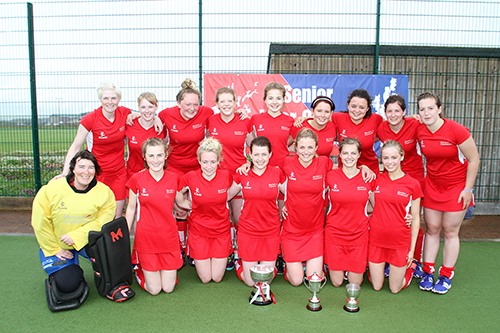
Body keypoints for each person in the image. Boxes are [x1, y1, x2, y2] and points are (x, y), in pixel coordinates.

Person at [32, 150, 134, 311]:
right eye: (81, 166)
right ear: (73, 168)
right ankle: (64, 274)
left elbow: (104, 221)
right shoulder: (51, 189)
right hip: (59, 245)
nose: (86, 172)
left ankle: (110, 283)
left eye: (90, 167)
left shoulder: (104, 192)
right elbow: (39, 223)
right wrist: (54, 248)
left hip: (87, 240)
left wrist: (77, 236)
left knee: (111, 249)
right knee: (69, 284)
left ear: (96, 171)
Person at [416, 92, 480, 294]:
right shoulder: (420, 130)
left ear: (440, 109)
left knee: (450, 231)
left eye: (430, 108)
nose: (426, 113)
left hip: (456, 188)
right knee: (432, 229)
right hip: (433, 186)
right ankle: (428, 271)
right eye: (422, 109)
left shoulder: (456, 130)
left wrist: (468, 189)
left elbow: (474, 160)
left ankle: (445, 275)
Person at [60, 82, 131, 218]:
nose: (110, 102)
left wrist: (157, 119)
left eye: (113, 98)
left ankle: (112, 240)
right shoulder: (90, 119)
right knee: (95, 216)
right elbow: (76, 146)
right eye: (106, 98)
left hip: (118, 173)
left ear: (119, 100)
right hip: (97, 174)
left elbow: (142, 115)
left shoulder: (125, 113)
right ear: (100, 99)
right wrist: (65, 171)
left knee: (115, 217)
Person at [376, 94, 425, 278]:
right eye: (390, 111)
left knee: (413, 219)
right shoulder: (381, 127)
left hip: (414, 176)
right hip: (392, 176)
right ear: (385, 112)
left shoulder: (415, 124)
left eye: (397, 111)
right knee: (391, 217)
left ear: (405, 112)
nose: (393, 114)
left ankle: (415, 259)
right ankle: (390, 260)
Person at [125, 138, 182, 295]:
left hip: (168, 238)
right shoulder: (136, 179)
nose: (155, 160)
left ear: (165, 156)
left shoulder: (174, 178)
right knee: (155, 290)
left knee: (168, 288)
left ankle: (160, 272)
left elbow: (182, 202)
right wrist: (124, 232)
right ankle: (138, 269)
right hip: (146, 238)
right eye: (151, 156)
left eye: (159, 155)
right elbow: (130, 209)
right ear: (144, 157)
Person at [175, 137, 235, 283]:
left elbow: (237, 188)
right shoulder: (191, 177)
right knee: (206, 278)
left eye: (213, 162)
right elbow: (176, 191)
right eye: (205, 162)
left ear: (219, 161)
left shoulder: (226, 176)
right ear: (199, 161)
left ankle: (237, 262)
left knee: (217, 277)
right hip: (199, 233)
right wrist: (186, 204)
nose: (209, 166)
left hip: (221, 233)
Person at [230, 136, 285, 287]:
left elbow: (291, 193)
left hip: (270, 231)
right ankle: (238, 262)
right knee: (251, 282)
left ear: (270, 155)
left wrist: (287, 205)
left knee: (265, 281)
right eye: (256, 155)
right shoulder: (242, 174)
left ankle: (271, 264)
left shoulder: (277, 173)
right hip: (249, 231)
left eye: (264, 154)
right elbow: (226, 195)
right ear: (250, 155)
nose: (260, 159)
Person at [280, 129, 333, 286]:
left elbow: (342, 174)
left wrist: (365, 168)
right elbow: (268, 177)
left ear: (316, 147)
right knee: (296, 281)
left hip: (314, 231)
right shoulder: (286, 162)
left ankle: (310, 266)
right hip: (291, 230)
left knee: (313, 280)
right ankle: (291, 266)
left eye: (310, 147)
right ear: (296, 147)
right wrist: (281, 205)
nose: (306, 152)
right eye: (302, 147)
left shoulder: (324, 163)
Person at [368, 140, 422, 293]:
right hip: (376, 239)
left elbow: (416, 218)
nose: (389, 162)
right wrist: (365, 167)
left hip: (399, 241)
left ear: (402, 157)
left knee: (394, 289)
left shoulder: (413, 184)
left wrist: (411, 250)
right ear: (381, 159)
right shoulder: (376, 180)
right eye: (385, 158)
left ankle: (410, 269)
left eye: (394, 157)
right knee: (377, 286)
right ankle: (382, 270)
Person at [207, 87, 254, 263]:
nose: (226, 104)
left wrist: (249, 162)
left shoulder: (244, 121)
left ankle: (239, 252)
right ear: (217, 104)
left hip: (237, 176)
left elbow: (254, 145)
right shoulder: (210, 121)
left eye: (230, 101)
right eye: (223, 101)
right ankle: (221, 253)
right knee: (218, 217)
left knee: (238, 217)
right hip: (215, 176)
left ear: (236, 103)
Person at [324, 138, 374, 288]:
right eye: (345, 153)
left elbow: (378, 205)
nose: (349, 157)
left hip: (358, 235)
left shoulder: (368, 177)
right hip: (335, 234)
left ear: (359, 155)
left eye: (353, 153)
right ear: (339, 155)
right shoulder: (330, 176)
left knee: (354, 283)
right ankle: (334, 266)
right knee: (337, 282)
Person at [331, 89, 384, 174]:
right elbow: (318, 120)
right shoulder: (338, 117)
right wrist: (304, 119)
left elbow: (393, 124)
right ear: (348, 105)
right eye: (353, 106)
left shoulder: (375, 119)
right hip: (346, 171)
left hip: (370, 171)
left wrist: (370, 138)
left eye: (362, 107)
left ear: (367, 108)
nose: (357, 110)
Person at [250, 82, 294, 168]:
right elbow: (249, 141)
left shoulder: (290, 121)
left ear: (284, 99)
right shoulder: (256, 119)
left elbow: (290, 142)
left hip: (283, 168)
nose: (274, 102)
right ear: (265, 99)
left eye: (278, 98)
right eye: (270, 98)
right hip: (261, 167)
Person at [125, 92, 167, 180]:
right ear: (139, 108)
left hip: (155, 176)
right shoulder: (130, 124)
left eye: (150, 107)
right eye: (143, 107)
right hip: (133, 175)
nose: (147, 111)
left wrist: (157, 118)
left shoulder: (161, 127)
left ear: (156, 107)